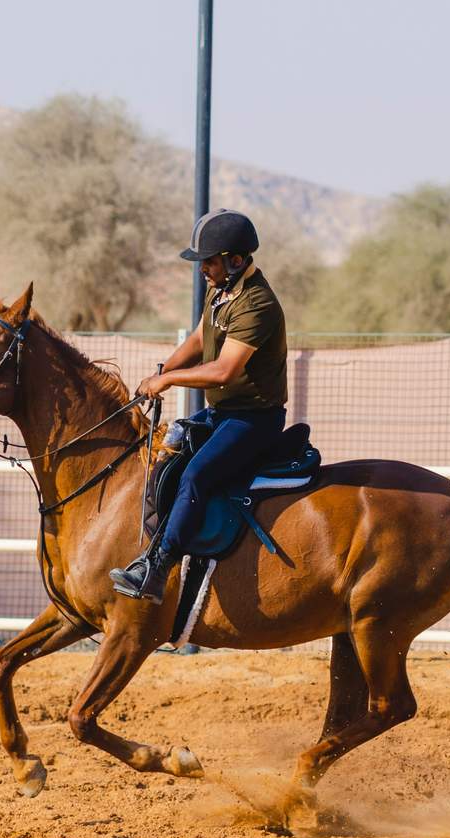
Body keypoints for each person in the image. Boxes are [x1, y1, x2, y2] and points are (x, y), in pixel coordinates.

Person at [110, 209, 287, 603]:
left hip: (254, 419)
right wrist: (162, 370)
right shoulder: (222, 290)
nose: (203, 269)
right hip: (224, 414)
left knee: (196, 476)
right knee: (167, 459)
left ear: (235, 260)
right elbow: (197, 340)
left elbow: (224, 370)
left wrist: (169, 380)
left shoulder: (258, 304)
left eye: (208, 261)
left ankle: (157, 572)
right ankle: (148, 553)